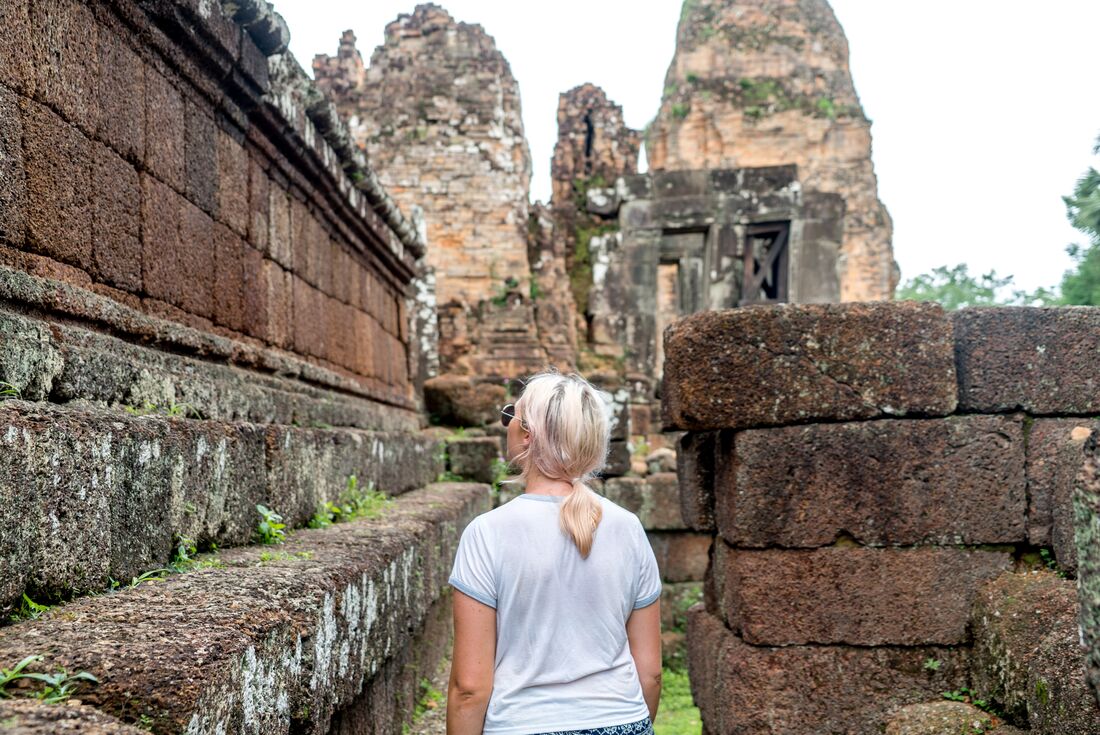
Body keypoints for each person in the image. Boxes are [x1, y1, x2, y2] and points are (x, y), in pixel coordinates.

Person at [446, 371, 663, 735]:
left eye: (510, 415)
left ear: (527, 433)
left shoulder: (487, 534)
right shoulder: (628, 528)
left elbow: (469, 688)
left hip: (523, 723)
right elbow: (651, 673)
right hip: (622, 720)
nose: (506, 425)